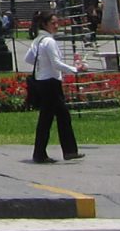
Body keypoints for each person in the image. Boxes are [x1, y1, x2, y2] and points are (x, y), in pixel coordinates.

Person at [26, 9, 85, 165]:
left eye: (57, 22)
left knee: (57, 117)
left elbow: (29, 58)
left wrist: (42, 65)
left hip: (42, 82)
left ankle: (66, 151)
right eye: (53, 23)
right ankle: (45, 153)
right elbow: (56, 64)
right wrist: (75, 69)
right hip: (51, 83)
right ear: (45, 24)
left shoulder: (38, 40)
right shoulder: (49, 41)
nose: (56, 25)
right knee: (51, 118)